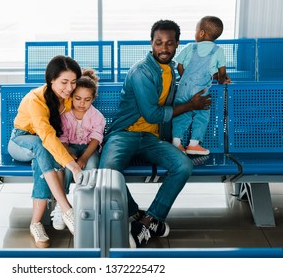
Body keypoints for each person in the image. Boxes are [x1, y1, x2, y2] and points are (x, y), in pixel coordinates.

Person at [99, 20, 211, 248]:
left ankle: (151, 219)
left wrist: (216, 75)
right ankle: (137, 217)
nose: (164, 48)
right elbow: (151, 114)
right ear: (151, 43)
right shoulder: (141, 71)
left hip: (151, 139)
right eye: (159, 43)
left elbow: (197, 75)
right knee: (107, 172)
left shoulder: (170, 69)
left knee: (183, 166)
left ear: (177, 44)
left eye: (170, 43)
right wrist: (191, 105)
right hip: (124, 134)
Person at [7, 55, 83, 248]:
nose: (69, 88)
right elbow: (47, 137)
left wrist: (66, 154)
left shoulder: (64, 99)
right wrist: (72, 166)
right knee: (43, 148)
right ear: (51, 80)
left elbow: (55, 137)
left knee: (43, 158)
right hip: (20, 141)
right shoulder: (36, 100)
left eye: (73, 82)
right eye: (64, 82)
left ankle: (35, 223)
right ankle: (66, 208)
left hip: (42, 145)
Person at [50, 68, 106, 230]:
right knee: (66, 168)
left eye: (87, 100)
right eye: (78, 98)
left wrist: (83, 158)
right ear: (71, 97)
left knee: (92, 168)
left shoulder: (97, 117)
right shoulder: (65, 115)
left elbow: (96, 140)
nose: (82, 103)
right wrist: (69, 153)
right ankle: (63, 206)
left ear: (93, 99)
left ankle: (87, 205)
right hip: (70, 148)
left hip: (89, 150)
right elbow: (63, 138)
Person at [172, 16, 231, 155]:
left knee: (181, 114)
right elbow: (222, 72)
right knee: (202, 115)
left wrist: (185, 77)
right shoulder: (218, 51)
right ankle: (193, 144)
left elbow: (179, 65)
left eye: (196, 30)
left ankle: (176, 143)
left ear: (201, 33)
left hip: (183, 88)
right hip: (202, 90)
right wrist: (222, 79)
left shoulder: (189, 47)